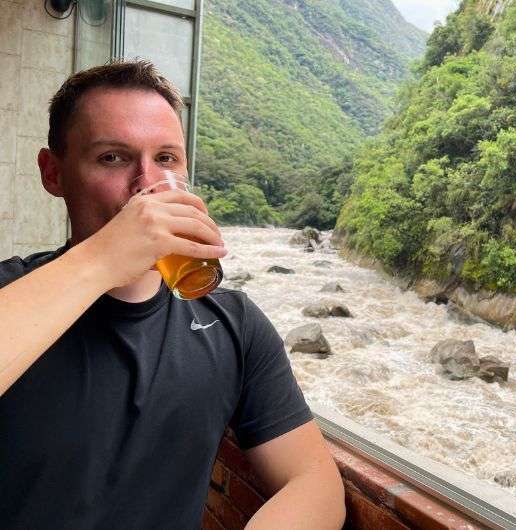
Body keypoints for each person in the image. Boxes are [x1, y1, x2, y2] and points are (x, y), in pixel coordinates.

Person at [0, 60, 345, 529]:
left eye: (166, 160)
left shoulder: (234, 324)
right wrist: (103, 259)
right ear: (53, 174)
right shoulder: (12, 293)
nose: (146, 186)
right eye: (112, 158)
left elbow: (314, 481)